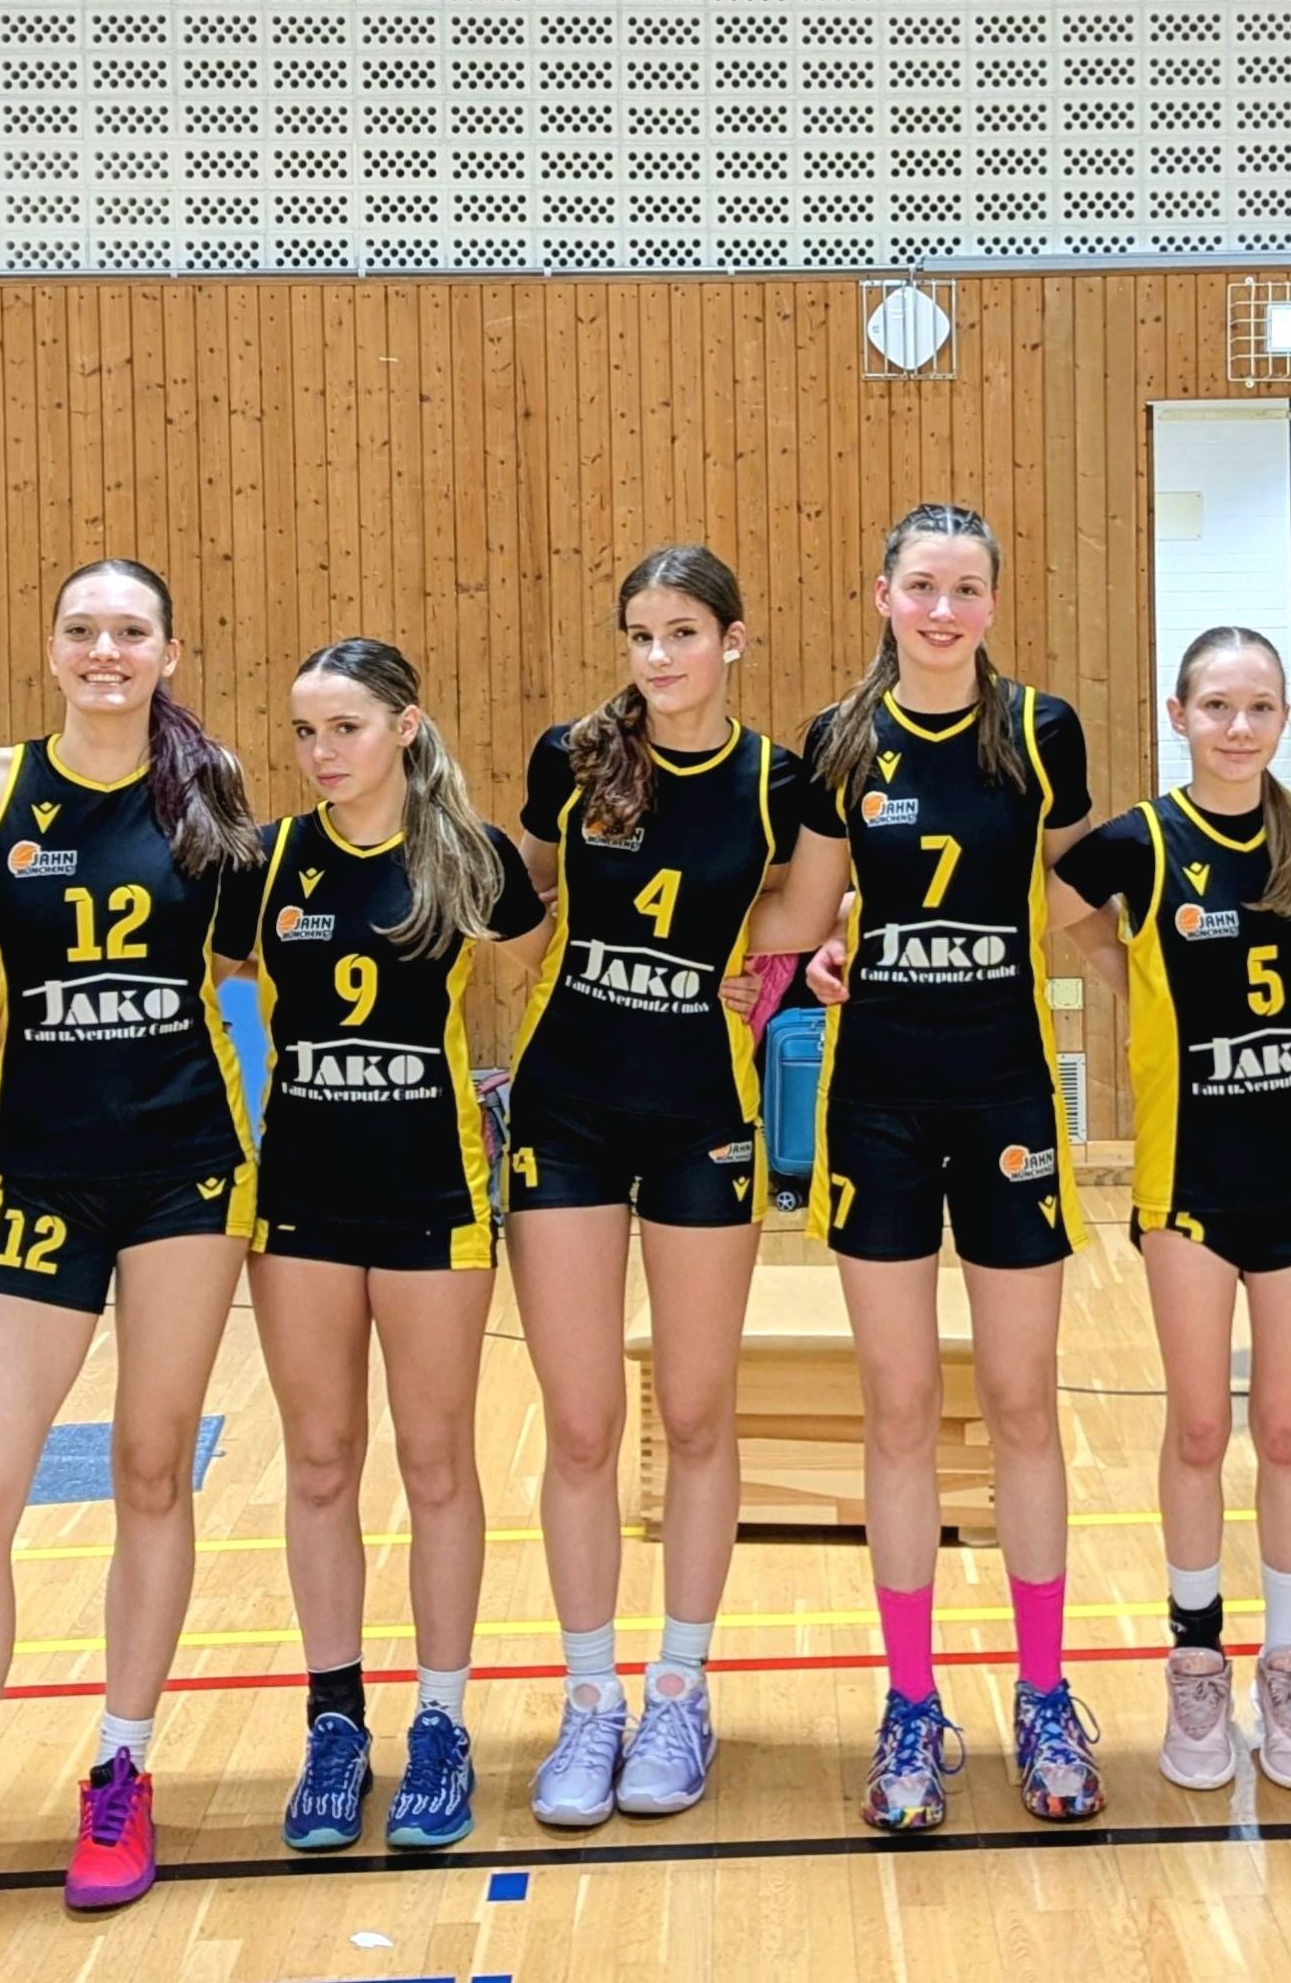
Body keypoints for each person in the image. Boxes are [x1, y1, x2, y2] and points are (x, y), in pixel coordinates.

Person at [0, 561, 262, 1963]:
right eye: (83, 630)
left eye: (130, 632)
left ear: (168, 653)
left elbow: (257, 955)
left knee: (152, 1469)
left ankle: (121, 1769)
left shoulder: (209, 792)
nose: (105, 651)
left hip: (187, 1167)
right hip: (40, 1176)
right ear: (51, 649)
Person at [747, 501, 1098, 1831]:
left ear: (993, 604)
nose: (944, 611)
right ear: (883, 596)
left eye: (966, 589)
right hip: (879, 1105)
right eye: (922, 587)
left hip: (1006, 1096)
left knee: (1020, 1402)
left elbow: (1081, 895)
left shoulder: (1040, 731)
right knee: (897, 1409)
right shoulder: (841, 740)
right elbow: (800, 906)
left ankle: (1045, 1692)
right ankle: (908, 1702)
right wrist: (700, 938)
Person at [235, 640, 551, 1856]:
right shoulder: (270, 861)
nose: (322, 753)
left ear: (405, 727)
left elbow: (545, 969)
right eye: (306, 731)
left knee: (435, 1463)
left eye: (347, 728)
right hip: (303, 1199)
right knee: (321, 1462)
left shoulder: (468, 857)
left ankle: (441, 1721)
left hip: (433, 1193)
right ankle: (333, 1724)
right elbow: (184, 966)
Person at [505, 549, 802, 1828]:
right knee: (580, 1426)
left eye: (684, 632)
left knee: (693, 1414)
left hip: (701, 1118)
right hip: (565, 1111)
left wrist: (757, 964)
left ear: (732, 640)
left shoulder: (778, 781)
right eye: (641, 635)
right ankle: (590, 1698)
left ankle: (679, 1689)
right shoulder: (573, 757)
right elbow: (522, 903)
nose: (660, 656)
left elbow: (808, 905)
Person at [1047, 628, 1291, 1793]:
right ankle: (1194, 1660)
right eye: (1217, 706)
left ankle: (1287, 1664)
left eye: (1260, 707)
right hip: (1187, 1179)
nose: (1239, 727)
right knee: (1195, 1429)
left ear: (1283, 720)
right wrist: (1132, 979)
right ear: (1178, 716)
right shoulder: (1139, 841)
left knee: (1286, 1430)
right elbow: (1055, 912)